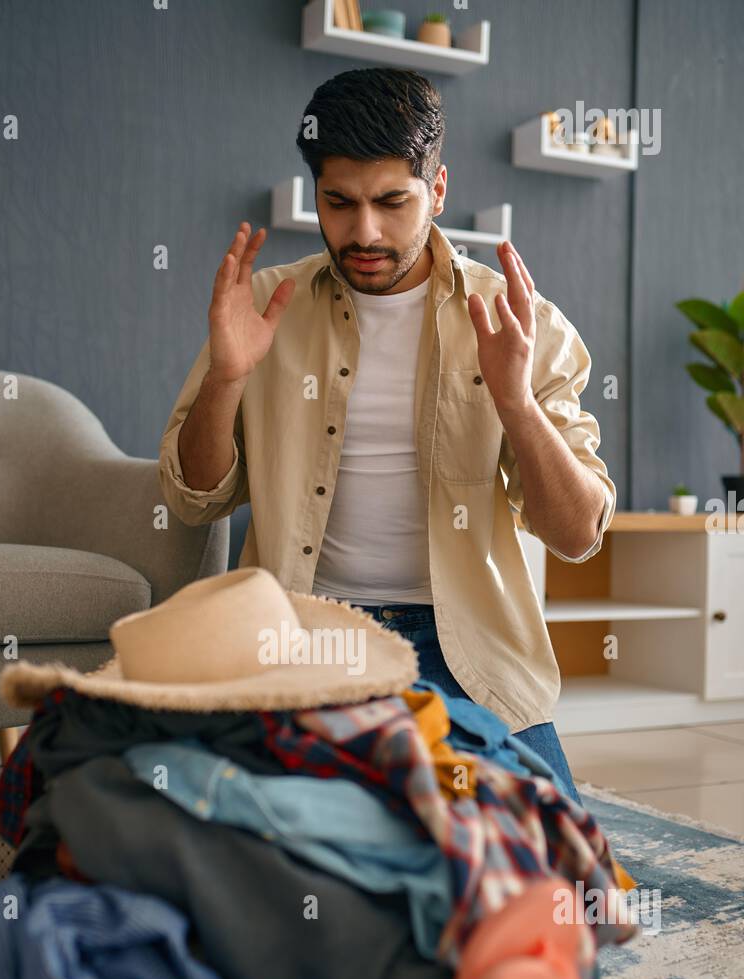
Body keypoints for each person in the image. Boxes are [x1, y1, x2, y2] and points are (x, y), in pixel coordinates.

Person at [158, 68, 617, 804]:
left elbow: (576, 534)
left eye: (392, 202)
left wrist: (516, 404)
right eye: (339, 203)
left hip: (466, 650)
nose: (363, 232)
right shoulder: (266, 307)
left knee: (556, 882)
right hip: (299, 634)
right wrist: (226, 378)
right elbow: (193, 500)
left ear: (437, 191)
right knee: (275, 854)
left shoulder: (522, 324)